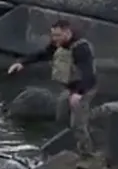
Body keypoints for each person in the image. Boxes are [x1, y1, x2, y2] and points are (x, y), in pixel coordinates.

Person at [7, 19, 98, 160]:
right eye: (53, 35)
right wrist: (22, 63)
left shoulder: (81, 48)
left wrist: (78, 94)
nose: (55, 39)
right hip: (70, 88)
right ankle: (77, 139)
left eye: (58, 35)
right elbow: (42, 54)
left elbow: (88, 74)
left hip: (85, 88)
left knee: (77, 123)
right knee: (61, 115)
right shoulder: (58, 44)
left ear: (68, 32)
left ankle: (87, 156)